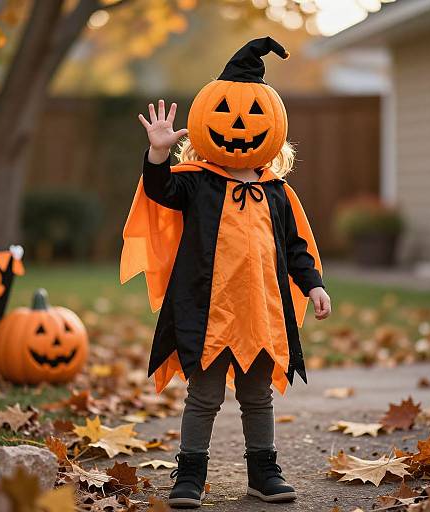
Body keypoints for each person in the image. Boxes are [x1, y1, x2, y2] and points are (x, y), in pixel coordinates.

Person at [121, 37, 331, 508]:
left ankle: (263, 472)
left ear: (273, 127)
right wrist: (157, 155)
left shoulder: (277, 193)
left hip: (260, 313)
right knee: (205, 397)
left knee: (258, 397)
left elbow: (297, 249)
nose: (240, 126)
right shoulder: (196, 182)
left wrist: (314, 285)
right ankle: (190, 475)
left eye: (254, 116)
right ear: (205, 124)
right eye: (229, 115)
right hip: (207, 314)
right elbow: (160, 191)